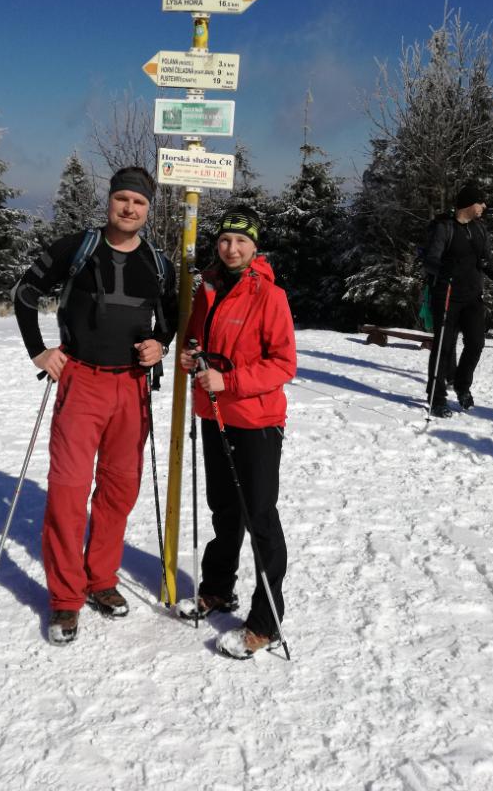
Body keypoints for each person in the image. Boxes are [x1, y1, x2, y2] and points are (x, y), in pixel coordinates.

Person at [13, 167, 177, 646]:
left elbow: (171, 314)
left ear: (148, 210)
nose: (129, 208)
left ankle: (101, 578)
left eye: (139, 202)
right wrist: (38, 351)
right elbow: (25, 294)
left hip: (132, 386)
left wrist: (161, 344)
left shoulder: (157, 262)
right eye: (122, 198)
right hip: (81, 381)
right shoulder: (77, 248)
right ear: (109, 201)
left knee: (119, 490)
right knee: (68, 491)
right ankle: (66, 597)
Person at [176, 206, 297, 659]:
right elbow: (195, 340)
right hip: (214, 415)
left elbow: (283, 364)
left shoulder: (270, 295)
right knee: (224, 510)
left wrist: (229, 381)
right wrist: (191, 357)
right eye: (226, 240)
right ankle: (217, 589)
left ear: (254, 247)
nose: (232, 248)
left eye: (242, 241)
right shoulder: (207, 288)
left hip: (257, 421)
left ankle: (267, 622)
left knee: (259, 515)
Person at [423, 182, 493, 418]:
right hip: (447, 296)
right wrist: (443, 269)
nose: (484, 206)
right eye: (480, 202)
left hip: (473, 296)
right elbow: (429, 260)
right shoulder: (444, 228)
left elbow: (487, 262)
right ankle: (436, 398)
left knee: (476, 343)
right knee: (443, 347)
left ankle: (462, 386)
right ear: (469, 204)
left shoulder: (479, 229)